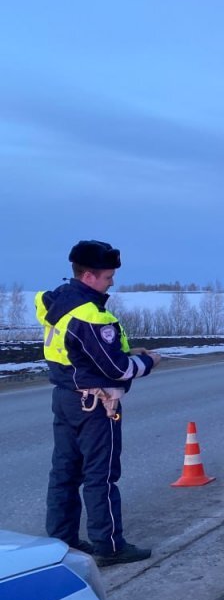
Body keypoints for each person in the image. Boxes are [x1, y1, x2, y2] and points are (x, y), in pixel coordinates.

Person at [35, 240, 162, 566]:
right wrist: (149, 362)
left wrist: (123, 352)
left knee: (64, 472)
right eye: (108, 276)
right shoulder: (91, 316)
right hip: (96, 404)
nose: (112, 282)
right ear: (89, 276)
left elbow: (79, 351)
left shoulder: (58, 302)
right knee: (101, 476)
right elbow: (117, 369)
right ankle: (109, 546)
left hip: (65, 397)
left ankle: (61, 541)